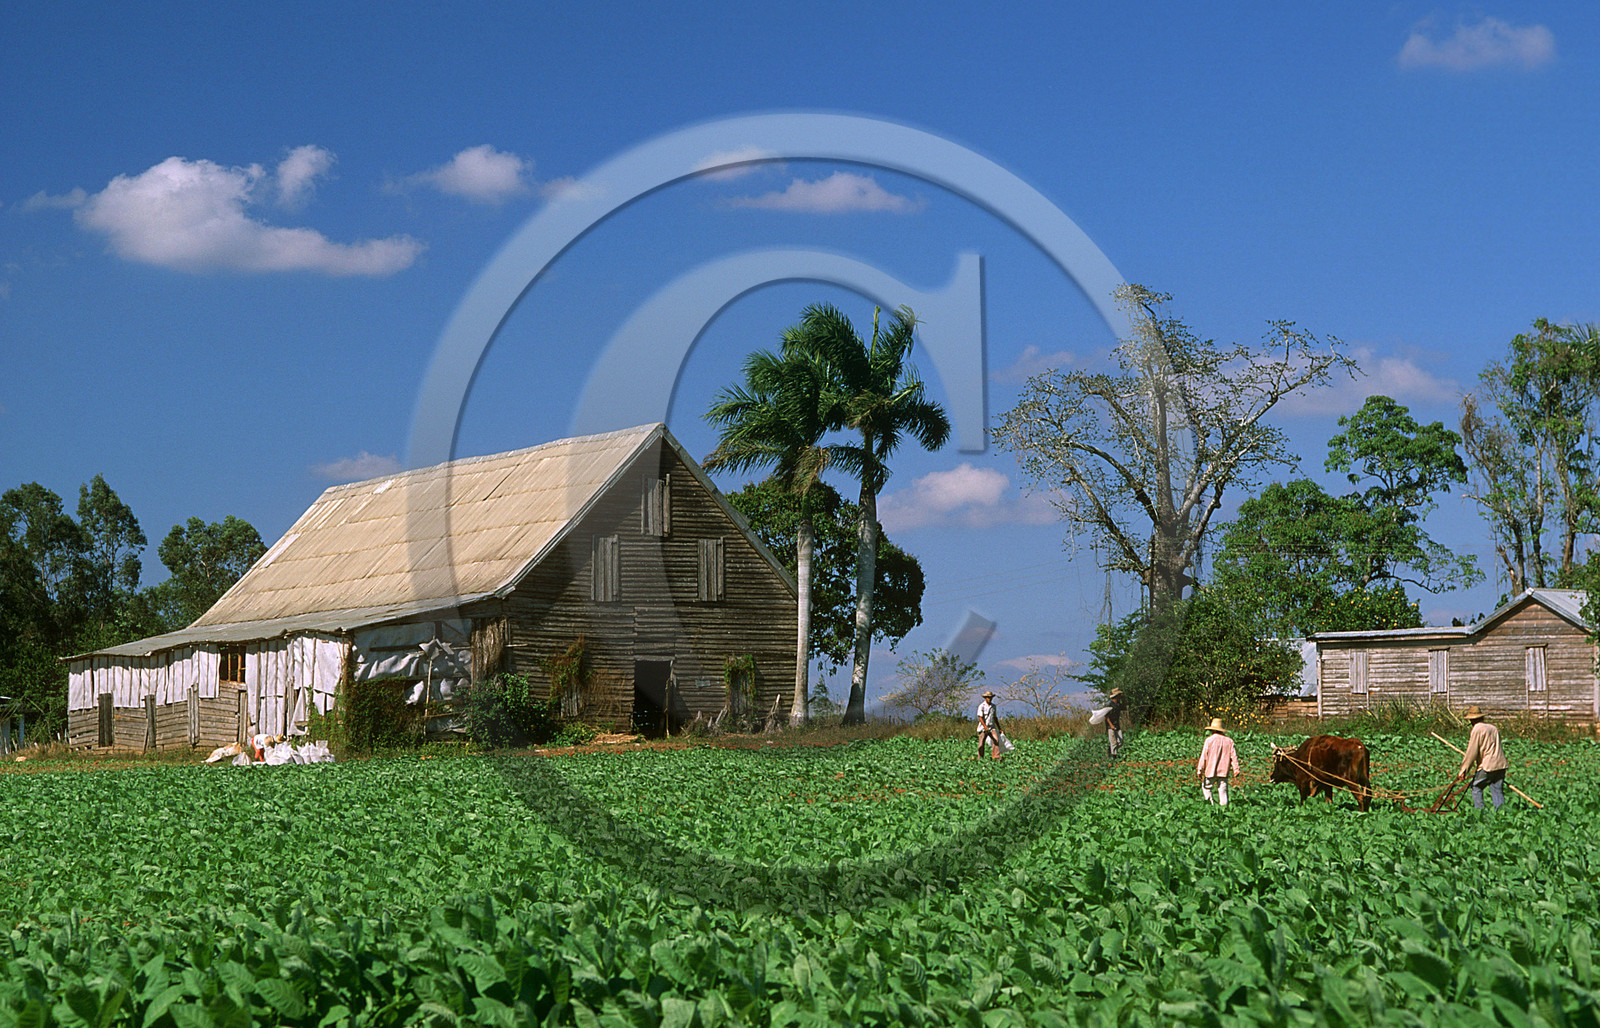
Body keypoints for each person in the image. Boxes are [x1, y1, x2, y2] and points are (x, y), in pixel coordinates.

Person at [1456, 706, 1509, 809]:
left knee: (1476, 787)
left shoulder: (1477, 729)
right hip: (1500, 765)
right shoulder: (1493, 728)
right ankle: (1502, 816)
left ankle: (1480, 813)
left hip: (1487, 766)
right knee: (1497, 790)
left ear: (1472, 719)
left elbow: (1472, 752)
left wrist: (1463, 770)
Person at [1195, 718, 1240, 806]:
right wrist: (1236, 769)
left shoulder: (1209, 740)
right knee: (1223, 791)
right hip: (1223, 771)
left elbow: (1204, 756)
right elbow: (1233, 757)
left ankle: (1210, 806)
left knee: (1206, 788)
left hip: (1210, 770)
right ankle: (1224, 809)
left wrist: (1199, 770)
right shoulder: (1229, 741)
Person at [975, 689, 1003, 760]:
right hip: (983, 727)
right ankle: (980, 759)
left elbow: (994, 717)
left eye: (990, 697)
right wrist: (985, 726)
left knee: (996, 741)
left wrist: (999, 728)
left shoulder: (993, 706)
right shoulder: (982, 706)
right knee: (981, 743)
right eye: (988, 697)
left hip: (992, 726)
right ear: (985, 698)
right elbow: (980, 717)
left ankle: (996, 757)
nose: (989, 698)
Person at [1106, 687, 1126, 758]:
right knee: (1113, 742)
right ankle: (1114, 756)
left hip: (1117, 725)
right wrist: (1111, 725)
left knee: (1120, 742)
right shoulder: (1109, 704)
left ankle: (1111, 750)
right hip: (1110, 726)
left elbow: (1125, 708)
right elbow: (1106, 716)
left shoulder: (1118, 704)